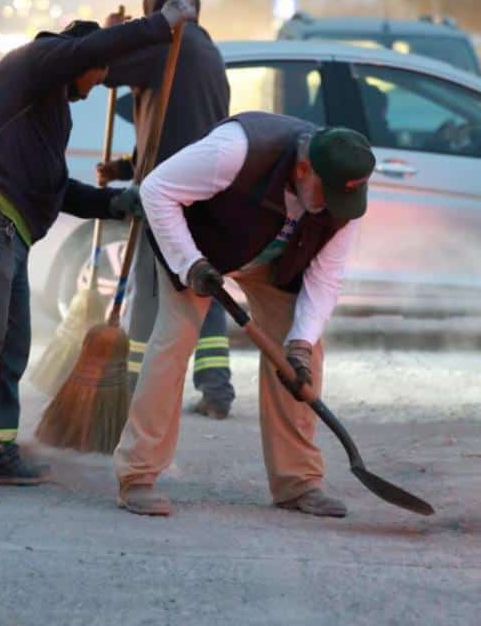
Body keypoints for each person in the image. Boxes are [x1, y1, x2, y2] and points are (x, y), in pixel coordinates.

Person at [0, 0, 199, 496]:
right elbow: (84, 54)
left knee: (9, 343)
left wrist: (114, 203)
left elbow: (53, 186)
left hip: (6, 228)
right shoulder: (36, 63)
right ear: (82, 58)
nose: (98, 84)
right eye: (98, 73)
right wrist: (161, 22)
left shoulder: (45, 103)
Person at [113, 111, 376, 518]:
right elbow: (156, 189)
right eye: (326, 196)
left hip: (275, 261)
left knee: (302, 360)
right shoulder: (236, 151)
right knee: (174, 342)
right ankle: (138, 475)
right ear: (304, 169)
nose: (330, 209)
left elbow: (325, 280)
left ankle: (298, 481)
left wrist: (301, 344)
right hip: (203, 250)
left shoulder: (343, 202)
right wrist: (191, 264)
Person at [98, 0, 235, 419]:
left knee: (147, 291)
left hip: (167, 190)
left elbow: (104, 69)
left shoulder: (169, 45)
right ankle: (216, 389)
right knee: (202, 284)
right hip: (205, 187)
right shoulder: (206, 49)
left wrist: (113, 33)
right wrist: (124, 167)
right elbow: (172, 122)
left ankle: (134, 385)